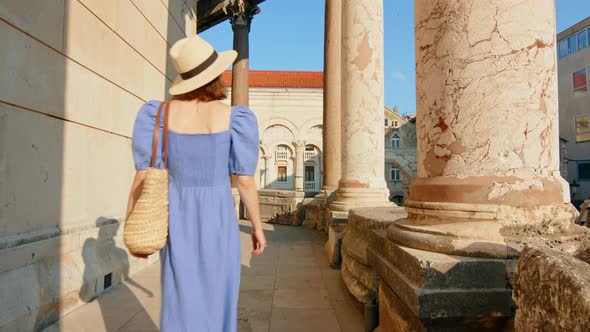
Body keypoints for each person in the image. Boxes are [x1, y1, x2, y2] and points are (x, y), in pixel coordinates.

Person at [125, 34, 267, 332]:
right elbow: (244, 181)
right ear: (216, 75)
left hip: (178, 215)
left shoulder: (158, 115)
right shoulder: (235, 118)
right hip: (217, 217)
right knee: (219, 297)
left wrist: (132, 226)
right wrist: (256, 225)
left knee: (180, 299)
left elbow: (142, 176)